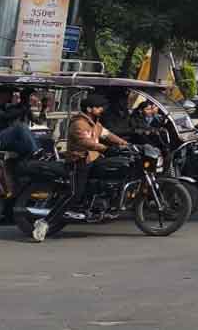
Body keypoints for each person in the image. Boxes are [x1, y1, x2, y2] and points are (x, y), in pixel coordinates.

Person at [33, 94, 128, 242]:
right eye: (98, 107)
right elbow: (87, 142)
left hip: (93, 159)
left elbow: (108, 134)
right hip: (79, 161)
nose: (101, 109)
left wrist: (124, 144)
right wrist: (106, 149)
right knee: (74, 193)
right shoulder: (79, 124)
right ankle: (44, 222)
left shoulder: (94, 123)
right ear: (90, 109)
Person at [0, 90, 35, 157]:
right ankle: (35, 152)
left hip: (8, 138)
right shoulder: (9, 108)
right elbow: (6, 116)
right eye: (10, 93)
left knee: (30, 141)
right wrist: (25, 107)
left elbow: (37, 120)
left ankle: (38, 156)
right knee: (20, 126)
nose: (11, 95)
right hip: (0, 138)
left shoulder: (6, 106)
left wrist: (43, 108)